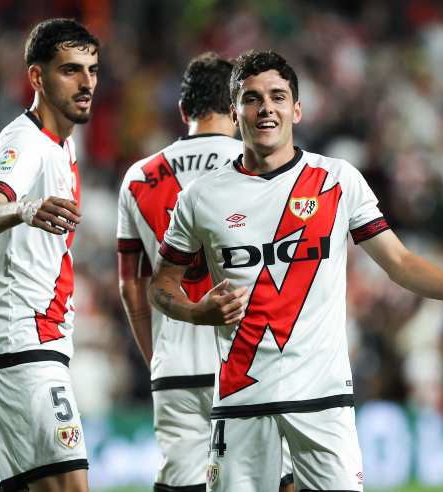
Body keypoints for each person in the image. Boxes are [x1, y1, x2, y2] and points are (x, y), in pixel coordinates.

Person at [148, 50, 443, 492]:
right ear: (234, 111)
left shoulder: (336, 180)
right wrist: (196, 312)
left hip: (323, 401)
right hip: (241, 401)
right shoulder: (201, 197)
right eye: (252, 98)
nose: (266, 107)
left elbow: (398, 262)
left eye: (278, 97)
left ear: (297, 109)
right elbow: (162, 286)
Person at [0, 18, 97, 492]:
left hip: (24, 346)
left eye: (92, 70)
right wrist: (25, 207)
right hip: (22, 347)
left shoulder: (63, 145)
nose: (86, 84)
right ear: (37, 77)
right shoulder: (25, 143)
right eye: (71, 71)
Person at [118, 52, 246, 492]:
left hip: (174, 362)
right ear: (236, 106)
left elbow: (131, 286)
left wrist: (156, 354)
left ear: (182, 110)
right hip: (248, 359)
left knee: (181, 484)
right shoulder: (260, 165)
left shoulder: (139, 177)